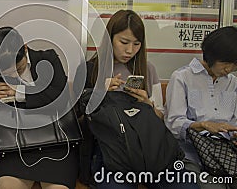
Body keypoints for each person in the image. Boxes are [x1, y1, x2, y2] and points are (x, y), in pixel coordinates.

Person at [74, 10, 198, 188]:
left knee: (188, 186)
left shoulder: (147, 69)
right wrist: (99, 92)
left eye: (136, 44)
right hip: (110, 150)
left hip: (150, 147)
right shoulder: (89, 69)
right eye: (123, 42)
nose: (130, 50)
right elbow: (75, 119)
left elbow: (161, 118)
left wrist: (147, 103)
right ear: (110, 39)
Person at [0, 27, 78, 189]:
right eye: (7, 74)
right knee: (7, 185)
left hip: (56, 145)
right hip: (15, 148)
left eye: (18, 69)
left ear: (25, 48)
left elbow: (60, 100)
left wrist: (19, 93)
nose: (14, 76)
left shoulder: (48, 60)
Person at [165, 26, 237, 189]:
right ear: (210, 56)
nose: (229, 70)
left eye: (234, 65)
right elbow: (173, 124)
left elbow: (234, 121)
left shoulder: (232, 82)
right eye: (225, 63)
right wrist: (202, 125)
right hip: (192, 154)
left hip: (226, 154)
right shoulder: (182, 77)